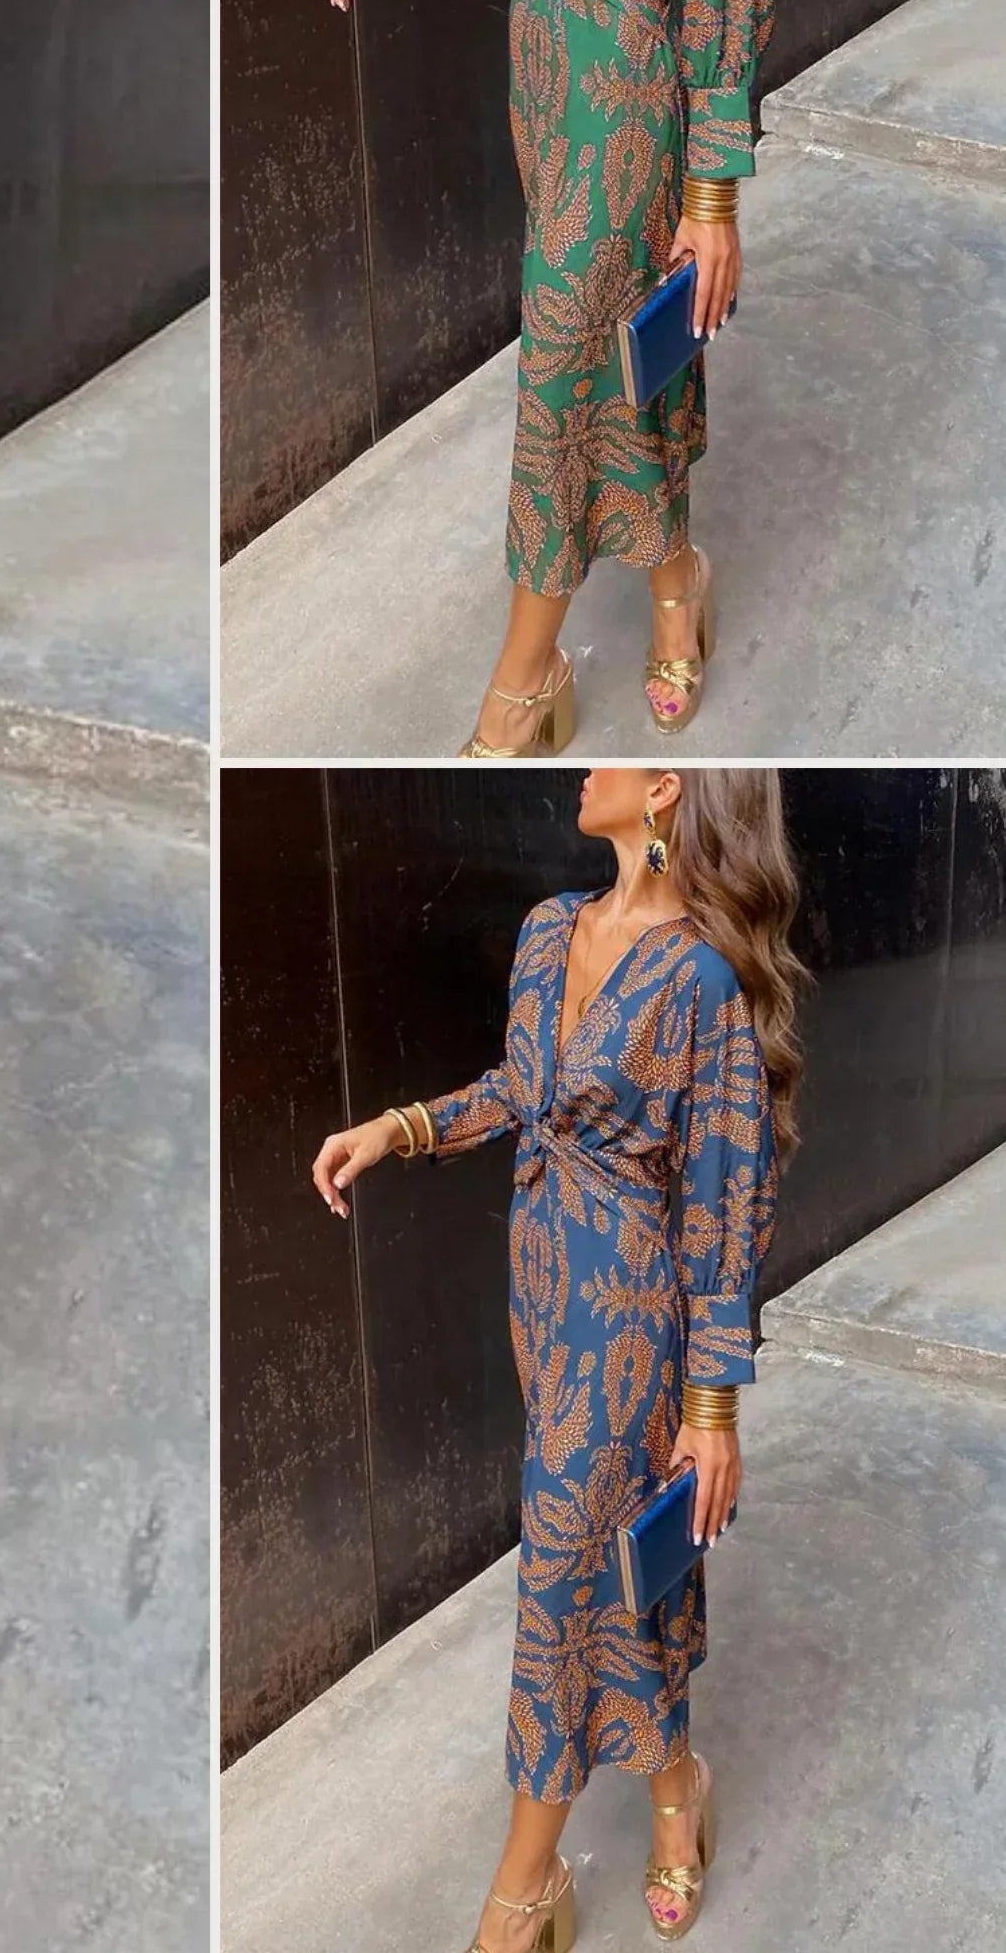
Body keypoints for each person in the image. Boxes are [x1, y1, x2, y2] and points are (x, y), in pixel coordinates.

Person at [309, 0, 808, 755]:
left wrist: (711, 199)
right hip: (541, 85)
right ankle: (677, 578)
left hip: (628, 105)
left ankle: (522, 684)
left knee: (555, 365)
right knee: (610, 359)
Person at [311, 767, 809, 1950]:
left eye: (611, 759)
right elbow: (520, 1090)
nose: (585, 773)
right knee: (614, 1573)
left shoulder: (699, 980)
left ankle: (522, 1889)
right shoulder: (548, 929)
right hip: (541, 1293)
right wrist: (400, 1126)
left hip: (630, 1316)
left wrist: (711, 1408)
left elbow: (724, 1197)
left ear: (663, 791)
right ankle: (677, 1787)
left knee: (557, 1579)